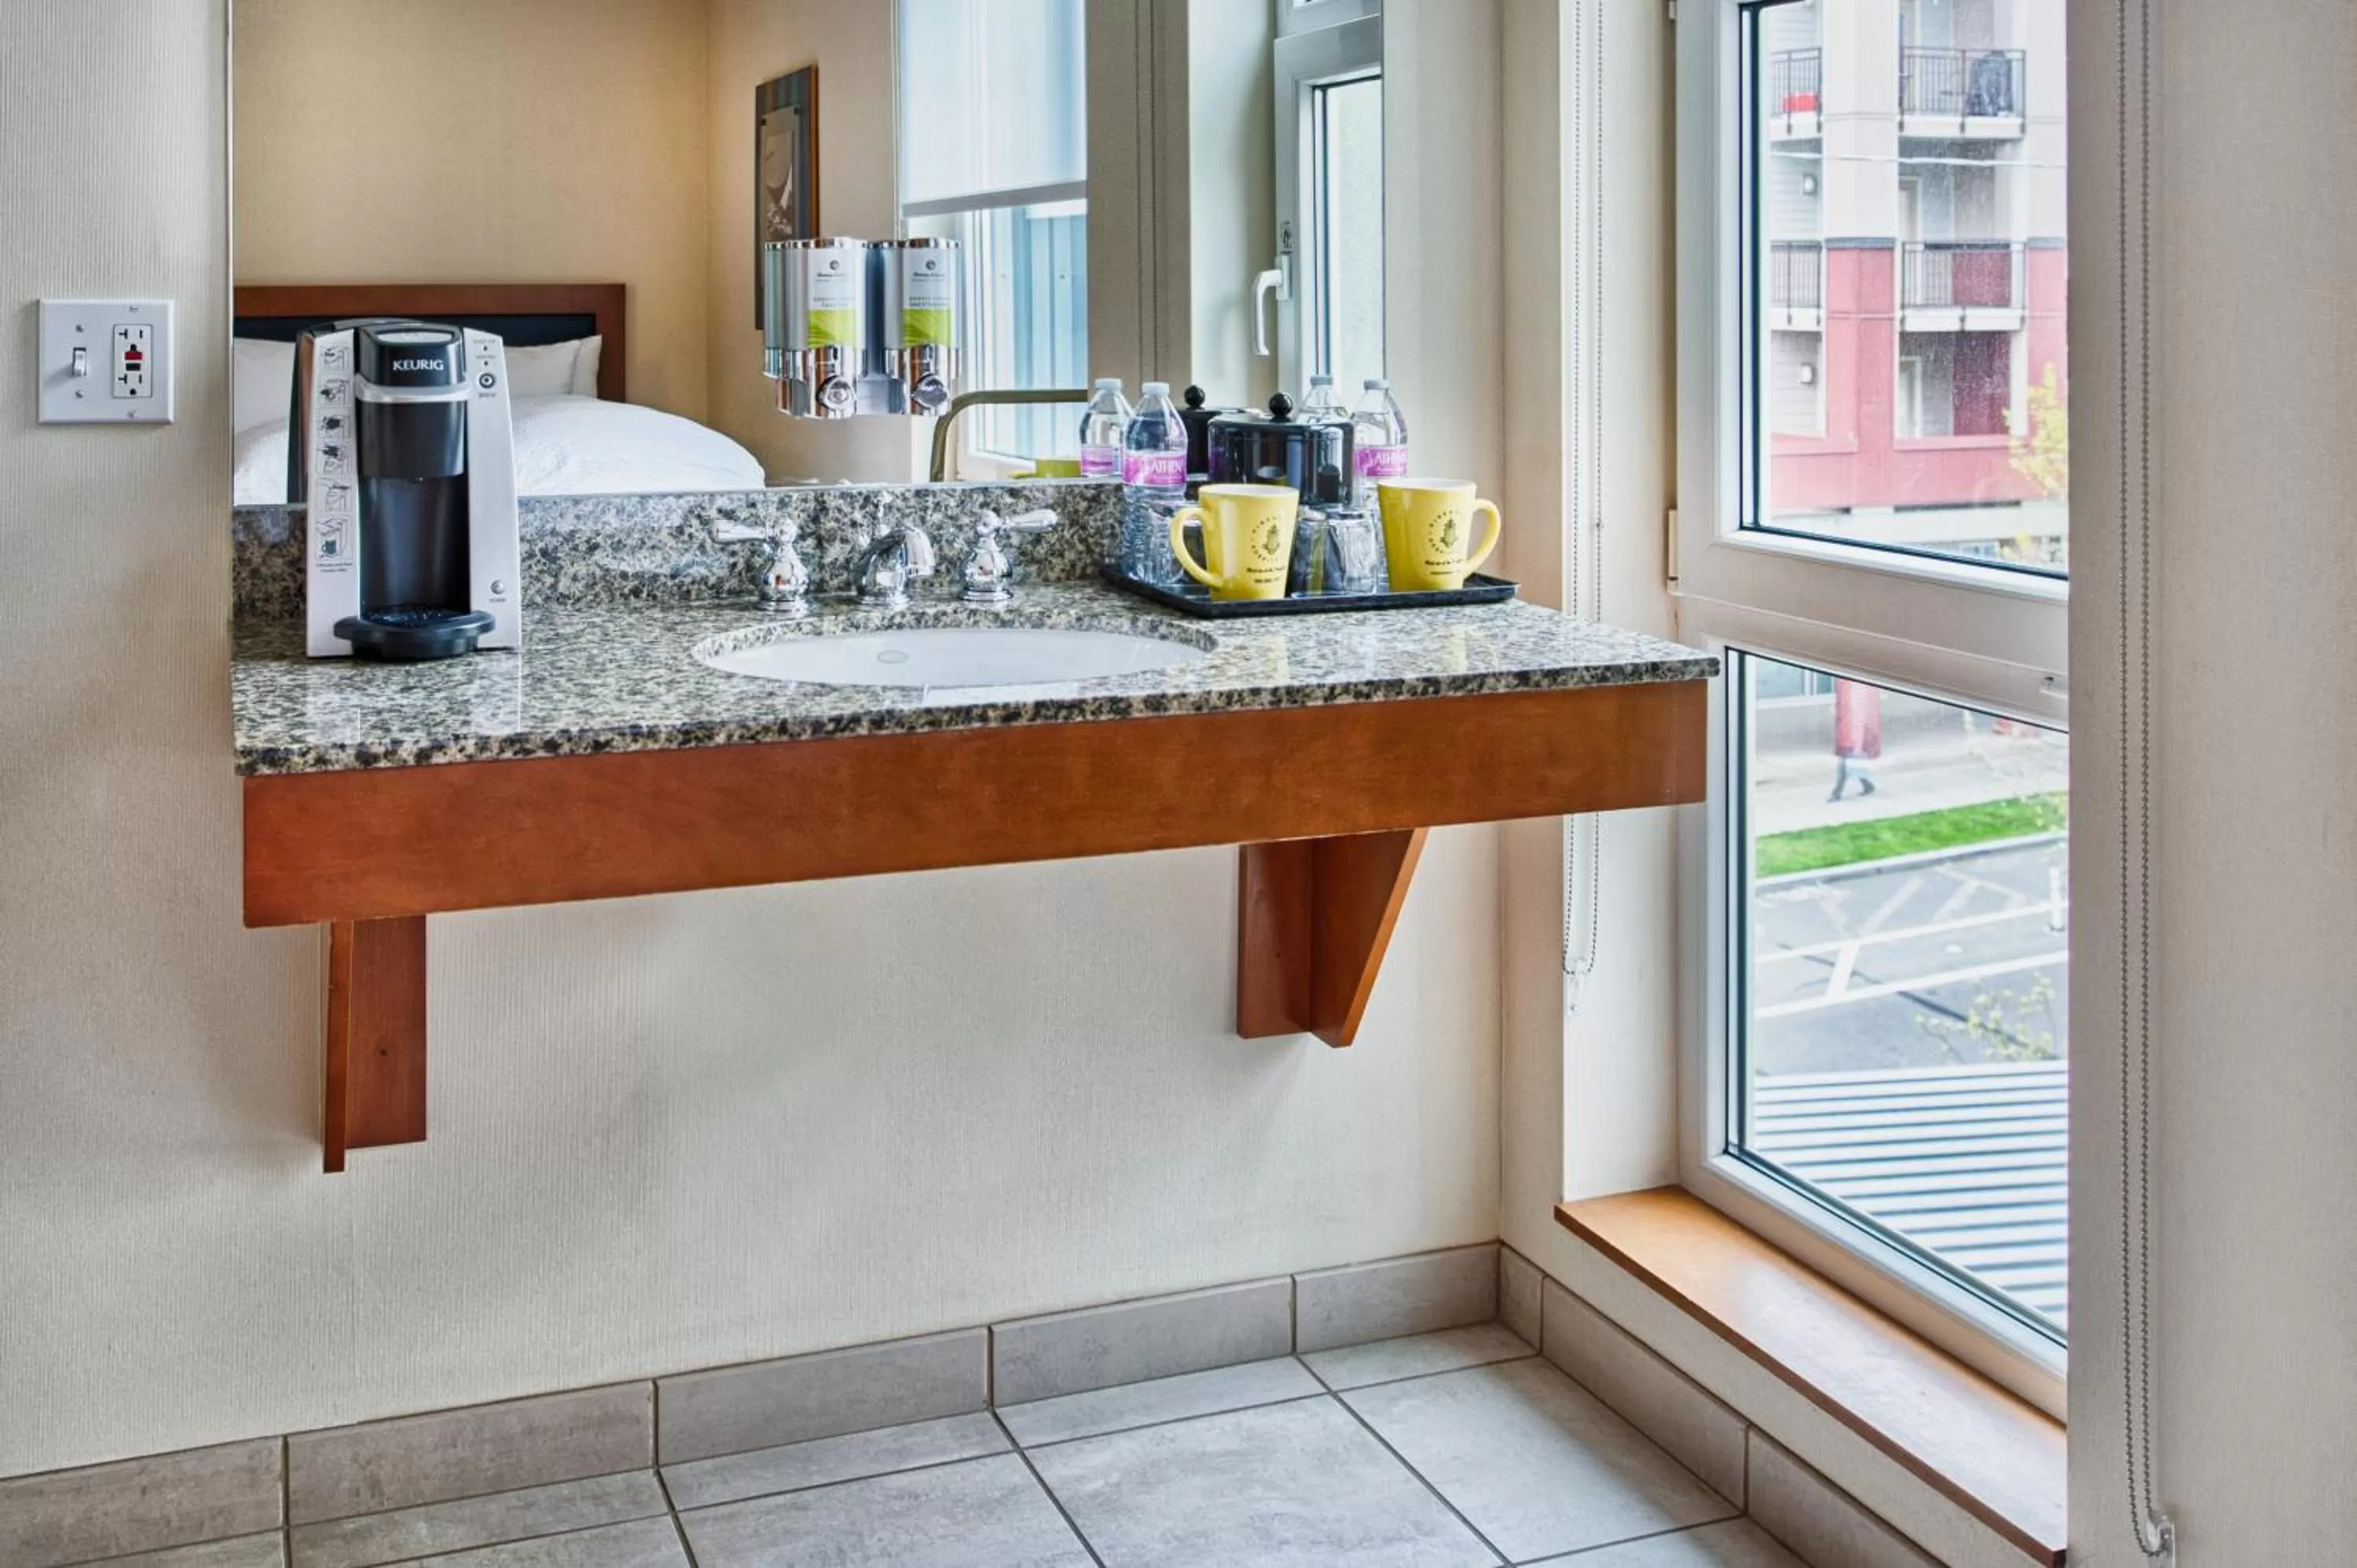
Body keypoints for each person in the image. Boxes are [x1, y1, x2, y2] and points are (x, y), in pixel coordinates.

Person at [1828, 678, 1882, 801]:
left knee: (1845, 763)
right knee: (1852, 761)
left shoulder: (1858, 690)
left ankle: (1837, 793)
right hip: (1851, 731)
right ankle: (1866, 784)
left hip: (1853, 733)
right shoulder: (1851, 689)